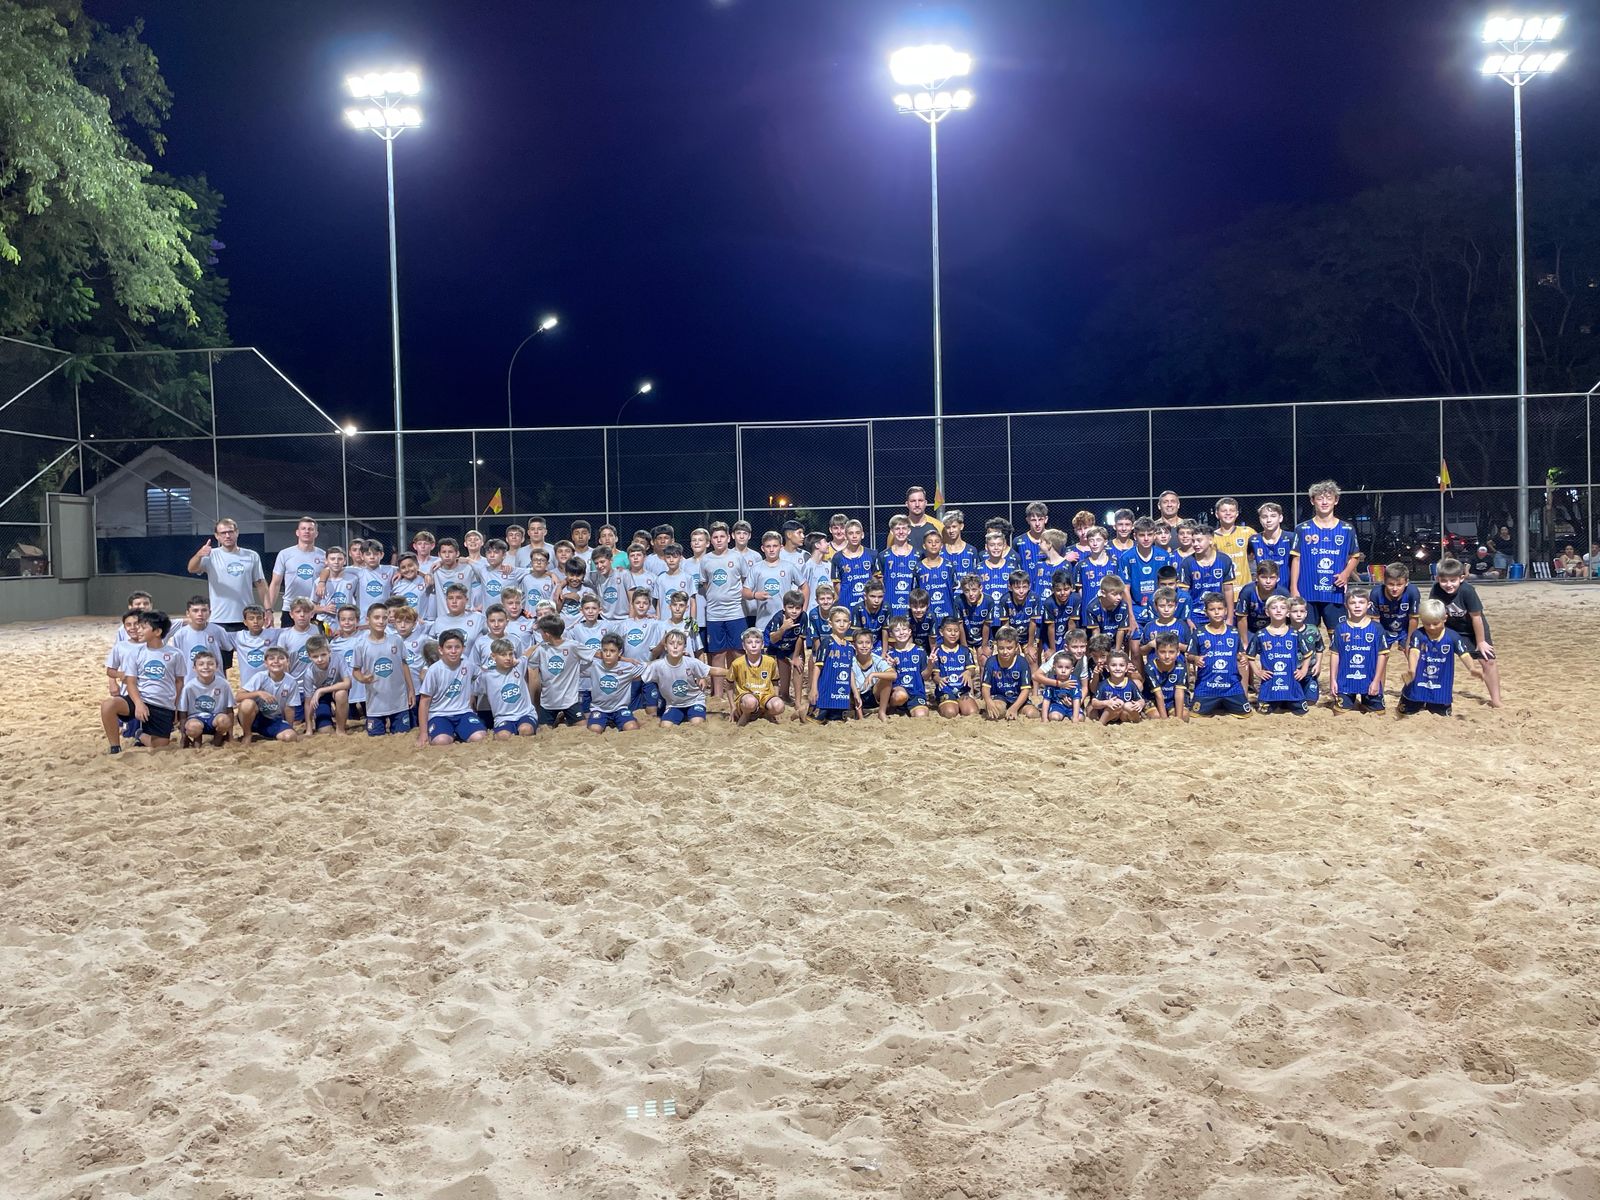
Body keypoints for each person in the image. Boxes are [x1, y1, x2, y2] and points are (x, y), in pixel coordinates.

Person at [186, 518, 268, 657]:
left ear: (237, 533)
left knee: (252, 659)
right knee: (220, 664)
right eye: (223, 533)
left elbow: (260, 584)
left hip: (246, 618)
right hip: (219, 619)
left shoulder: (251, 556)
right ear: (217, 536)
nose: (227, 536)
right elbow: (191, 569)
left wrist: (268, 609)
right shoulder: (210, 555)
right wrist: (199, 555)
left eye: (230, 532)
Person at [1430, 558, 1503, 707]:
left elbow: (1476, 617)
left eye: (1453, 580)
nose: (1448, 585)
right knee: (1436, 659)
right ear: (1438, 579)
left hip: (1473, 630)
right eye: (1444, 581)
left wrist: (1481, 641)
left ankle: (1496, 700)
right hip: (1450, 629)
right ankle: (1434, 696)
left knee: (1488, 661)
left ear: (1461, 578)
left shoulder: (1467, 590)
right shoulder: (1436, 589)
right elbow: (1435, 612)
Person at [1290, 480, 1361, 632]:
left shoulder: (1347, 529)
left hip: (1334, 592)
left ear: (1336, 500)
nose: (1324, 502)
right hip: (1307, 591)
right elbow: (1296, 559)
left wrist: (1345, 574)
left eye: (1328, 498)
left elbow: (1355, 556)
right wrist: (1294, 588)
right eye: (1320, 498)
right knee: (1307, 635)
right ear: (1312, 501)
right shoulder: (1302, 529)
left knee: (1339, 636)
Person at [1399, 598, 1483, 716]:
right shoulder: (1418, 634)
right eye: (1427, 624)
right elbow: (1414, 651)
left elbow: (1463, 654)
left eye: (1435, 623)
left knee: (1441, 714)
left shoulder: (1452, 636)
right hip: (1418, 679)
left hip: (1441, 682)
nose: (1431, 627)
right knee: (1406, 710)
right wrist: (1412, 669)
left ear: (1445, 618)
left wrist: (1472, 668)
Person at [352, 601, 415, 736]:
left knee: (402, 737)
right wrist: (362, 679)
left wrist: (411, 690)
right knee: (376, 737)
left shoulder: (396, 640)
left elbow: (404, 664)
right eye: (377, 618)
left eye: (384, 618)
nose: (381, 621)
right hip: (375, 703)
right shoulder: (361, 645)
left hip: (399, 701)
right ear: (368, 620)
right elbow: (355, 670)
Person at [416, 630, 487, 745]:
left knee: (479, 737)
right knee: (441, 741)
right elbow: (424, 701)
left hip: (463, 712)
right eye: (449, 647)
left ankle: (460, 731)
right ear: (441, 650)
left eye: (457, 647)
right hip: (439, 714)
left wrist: (473, 693)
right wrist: (423, 733)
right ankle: (448, 732)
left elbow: (481, 675)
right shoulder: (434, 670)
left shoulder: (468, 665)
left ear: (463, 649)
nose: (453, 651)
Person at [1187, 592, 1250, 717]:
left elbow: (1239, 654)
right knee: (1195, 714)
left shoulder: (1233, 632)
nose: (1216, 612)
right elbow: (1189, 655)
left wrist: (1243, 658)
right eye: (1212, 609)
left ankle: (1224, 702)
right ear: (1206, 612)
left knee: (1246, 714)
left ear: (1226, 611)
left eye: (1220, 609)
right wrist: (1196, 658)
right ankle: (1216, 702)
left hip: (1231, 686)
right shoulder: (1199, 633)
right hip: (1206, 686)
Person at [1248, 595, 1309, 715]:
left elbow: (1307, 654)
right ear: (1267, 612)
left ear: (1288, 613)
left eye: (1282, 607)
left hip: (1291, 684)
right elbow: (1250, 656)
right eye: (1274, 608)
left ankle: (1288, 701)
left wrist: (1304, 670)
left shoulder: (1294, 634)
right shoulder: (1260, 635)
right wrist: (1258, 672)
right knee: (1263, 712)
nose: (1278, 610)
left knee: (1302, 711)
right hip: (1269, 686)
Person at [527, 614, 590, 728]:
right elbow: (530, 666)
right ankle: (559, 719)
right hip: (548, 702)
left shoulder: (572, 646)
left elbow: (595, 655)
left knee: (582, 728)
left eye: (541, 632)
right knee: (543, 730)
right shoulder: (540, 649)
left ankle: (562, 718)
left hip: (570, 700)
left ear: (547, 634)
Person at [644, 630, 713, 727]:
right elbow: (639, 671)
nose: (675, 646)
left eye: (679, 644)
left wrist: (730, 672)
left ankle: (692, 714)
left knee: (697, 722)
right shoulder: (658, 665)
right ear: (665, 647)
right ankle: (681, 716)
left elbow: (713, 670)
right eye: (671, 643)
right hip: (674, 705)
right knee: (665, 725)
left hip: (694, 701)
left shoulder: (691, 662)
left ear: (684, 647)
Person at [1331, 589, 1384, 712]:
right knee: (1339, 713)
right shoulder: (1340, 628)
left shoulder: (1377, 628)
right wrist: (1333, 680)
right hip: (1345, 681)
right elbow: (1335, 654)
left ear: (1368, 605)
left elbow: (1382, 656)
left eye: (1361, 602)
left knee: (1379, 713)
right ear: (1346, 605)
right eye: (1352, 603)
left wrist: (1376, 681)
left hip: (1370, 681)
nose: (1357, 606)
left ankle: (1366, 701)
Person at [267, 517, 326, 627]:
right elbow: (275, 584)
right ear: (297, 532)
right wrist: (269, 609)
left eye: (310, 529)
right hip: (290, 609)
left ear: (316, 533)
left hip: (314, 610)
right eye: (303, 528)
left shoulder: (324, 556)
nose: (307, 531)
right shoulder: (284, 554)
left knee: (316, 644)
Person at [236, 645, 301, 744]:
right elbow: (238, 697)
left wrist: (289, 727)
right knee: (247, 704)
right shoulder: (260, 677)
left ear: (287, 662)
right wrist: (258, 693)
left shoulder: (291, 682)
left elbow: (289, 708)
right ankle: (247, 734)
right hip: (254, 718)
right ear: (266, 663)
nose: (276, 661)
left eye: (281, 658)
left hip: (274, 719)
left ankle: (270, 733)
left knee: (290, 737)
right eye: (271, 658)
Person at [585, 632, 645, 733]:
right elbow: (573, 665)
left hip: (620, 709)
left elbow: (649, 667)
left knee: (632, 728)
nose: (608, 654)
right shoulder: (593, 666)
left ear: (620, 652)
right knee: (594, 730)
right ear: (601, 651)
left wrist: (624, 660)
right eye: (605, 650)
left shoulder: (628, 667)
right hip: (599, 709)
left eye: (612, 651)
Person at [807, 606, 856, 724]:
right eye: (838, 621)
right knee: (814, 721)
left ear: (849, 624)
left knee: (836, 721)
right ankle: (800, 712)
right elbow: (818, 666)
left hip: (840, 696)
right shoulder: (827, 642)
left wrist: (855, 693)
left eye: (845, 621)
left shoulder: (850, 647)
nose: (841, 624)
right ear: (830, 623)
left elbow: (850, 672)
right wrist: (814, 688)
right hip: (824, 693)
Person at [177, 649, 235, 747]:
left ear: (217, 667)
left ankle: (217, 741)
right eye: (201, 664)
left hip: (215, 718)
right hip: (195, 718)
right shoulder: (189, 687)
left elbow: (230, 709)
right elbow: (183, 713)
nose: (206, 667)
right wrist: (183, 736)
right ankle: (197, 742)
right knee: (194, 727)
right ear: (194, 668)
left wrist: (230, 734)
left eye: (210, 664)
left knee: (224, 720)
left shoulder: (223, 684)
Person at [482, 638, 539, 738]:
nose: (508, 658)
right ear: (493, 656)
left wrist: (540, 644)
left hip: (525, 714)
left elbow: (527, 653)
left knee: (526, 730)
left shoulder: (519, 666)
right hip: (503, 718)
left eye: (510, 654)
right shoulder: (486, 676)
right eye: (503, 655)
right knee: (503, 736)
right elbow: (473, 689)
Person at [730, 627, 785, 725]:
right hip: (746, 697)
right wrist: (732, 707)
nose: (754, 645)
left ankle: (767, 713)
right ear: (744, 646)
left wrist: (775, 697)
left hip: (765, 696)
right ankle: (746, 714)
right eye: (749, 642)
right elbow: (729, 683)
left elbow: (775, 681)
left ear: (762, 644)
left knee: (779, 706)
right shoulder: (737, 663)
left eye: (757, 642)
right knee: (750, 702)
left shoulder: (770, 661)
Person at [299, 635, 352, 735]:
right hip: (321, 697)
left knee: (341, 694)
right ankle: (329, 713)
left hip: (336, 691)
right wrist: (309, 729)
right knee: (325, 730)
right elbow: (308, 702)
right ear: (309, 656)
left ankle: (340, 729)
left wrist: (321, 690)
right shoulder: (309, 673)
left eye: (323, 655)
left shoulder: (338, 658)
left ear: (329, 652)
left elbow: (348, 683)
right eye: (315, 656)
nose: (320, 659)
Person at [980, 626, 1035, 720]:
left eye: (1009, 648)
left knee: (1032, 714)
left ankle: (1014, 710)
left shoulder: (1022, 662)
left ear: (1016, 647)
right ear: (996, 646)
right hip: (999, 697)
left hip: (1017, 698)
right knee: (997, 711)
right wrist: (988, 702)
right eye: (1001, 648)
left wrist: (1014, 707)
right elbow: (985, 686)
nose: (1005, 652)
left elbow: (1025, 689)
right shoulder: (991, 662)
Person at [884, 616, 931, 718]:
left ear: (910, 631)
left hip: (916, 693)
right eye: (897, 630)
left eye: (904, 629)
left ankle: (911, 707)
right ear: (891, 634)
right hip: (899, 692)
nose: (901, 633)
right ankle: (893, 706)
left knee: (922, 715)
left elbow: (925, 676)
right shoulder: (890, 654)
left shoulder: (920, 651)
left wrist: (931, 664)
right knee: (900, 696)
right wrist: (890, 667)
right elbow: (887, 679)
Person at [932, 616, 978, 718]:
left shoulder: (965, 651)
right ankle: (946, 703)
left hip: (962, 690)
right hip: (946, 690)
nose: (953, 634)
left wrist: (968, 672)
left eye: (956, 631)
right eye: (949, 631)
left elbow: (972, 670)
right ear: (941, 632)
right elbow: (934, 676)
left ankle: (961, 703)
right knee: (950, 713)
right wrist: (939, 679)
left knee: (972, 712)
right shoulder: (937, 651)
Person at [848, 628, 895, 721]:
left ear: (872, 645)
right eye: (860, 643)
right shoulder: (851, 662)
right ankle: (858, 714)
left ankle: (882, 712)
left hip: (873, 694)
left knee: (886, 678)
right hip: (856, 695)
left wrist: (873, 674)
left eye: (867, 643)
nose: (864, 646)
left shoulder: (876, 659)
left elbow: (893, 675)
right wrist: (861, 718)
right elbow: (855, 689)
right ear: (854, 645)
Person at [1090, 650, 1144, 725]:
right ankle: (1100, 724)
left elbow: (1141, 699)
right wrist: (1106, 703)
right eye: (1113, 665)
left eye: (1121, 665)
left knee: (1129, 706)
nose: (1117, 668)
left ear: (1126, 668)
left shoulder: (1130, 684)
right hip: (1110, 715)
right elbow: (1094, 702)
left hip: (1124, 715)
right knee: (1118, 703)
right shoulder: (1104, 685)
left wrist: (1140, 704)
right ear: (1107, 668)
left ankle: (1136, 723)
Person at [1144, 633, 1189, 721]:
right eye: (1162, 652)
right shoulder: (1150, 667)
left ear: (1178, 652)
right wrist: (1164, 720)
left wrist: (1178, 720)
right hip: (1153, 699)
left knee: (1184, 716)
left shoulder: (1181, 667)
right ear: (1156, 652)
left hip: (1171, 700)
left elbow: (1179, 693)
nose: (1167, 656)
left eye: (1171, 652)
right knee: (1156, 717)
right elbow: (1158, 695)